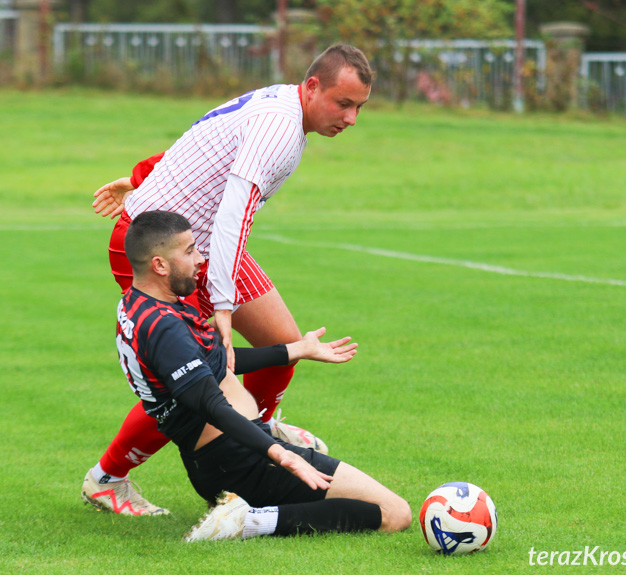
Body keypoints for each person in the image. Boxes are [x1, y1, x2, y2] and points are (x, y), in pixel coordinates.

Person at [84, 45, 375, 515]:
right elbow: (232, 213)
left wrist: (143, 174)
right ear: (313, 86)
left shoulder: (280, 105)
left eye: (359, 107)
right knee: (191, 375)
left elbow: (208, 139)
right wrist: (221, 304)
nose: (352, 118)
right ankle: (108, 477)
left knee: (283, 346)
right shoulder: (280, 127)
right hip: (167, 253)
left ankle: (255, 427)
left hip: (204, 249)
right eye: (344, 103)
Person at [88, 211, 412, 541]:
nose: (201, 259)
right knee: (394, 514)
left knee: (364, 503)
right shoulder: (165, 327)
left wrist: (297, 349)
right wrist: (279, 453)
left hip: (224, 460)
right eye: (189, 251)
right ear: (159, 264)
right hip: (241, 460)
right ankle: (245, 521)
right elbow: (212, 405)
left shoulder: (140, 305)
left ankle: (243, 512)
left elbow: (218, 362)